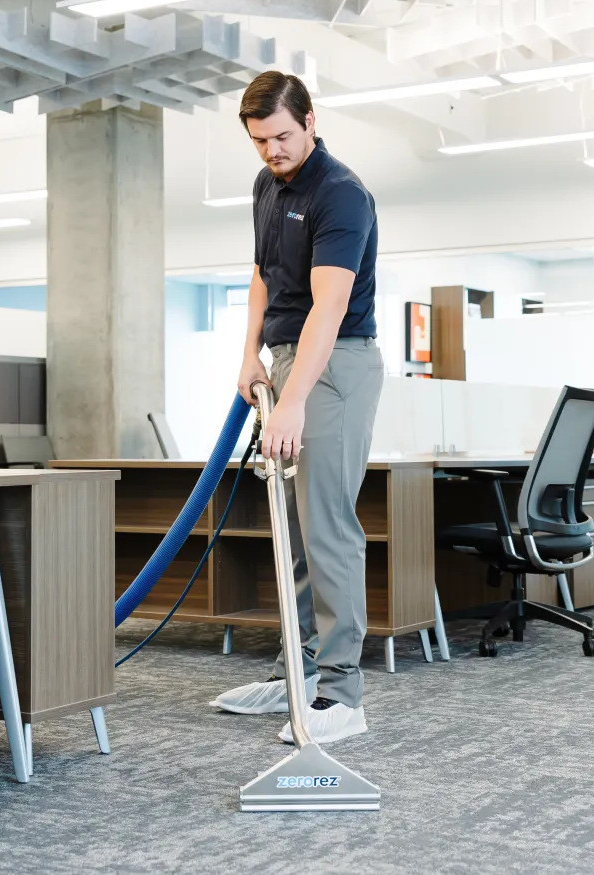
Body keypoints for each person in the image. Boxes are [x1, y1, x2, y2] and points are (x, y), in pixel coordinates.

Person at [210, 70, 383, 745]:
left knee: (329, 527)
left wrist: (297, 399)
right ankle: (302, 677)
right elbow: (261, 276)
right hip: (285, 360)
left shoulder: (342, 194)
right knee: (296, 530)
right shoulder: (266, 185)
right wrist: (250, 354)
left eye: (282, 135)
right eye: (258, 140)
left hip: (334, 364)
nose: (271, 150)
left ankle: (342, 695)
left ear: (312, 119)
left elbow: (330, 307)